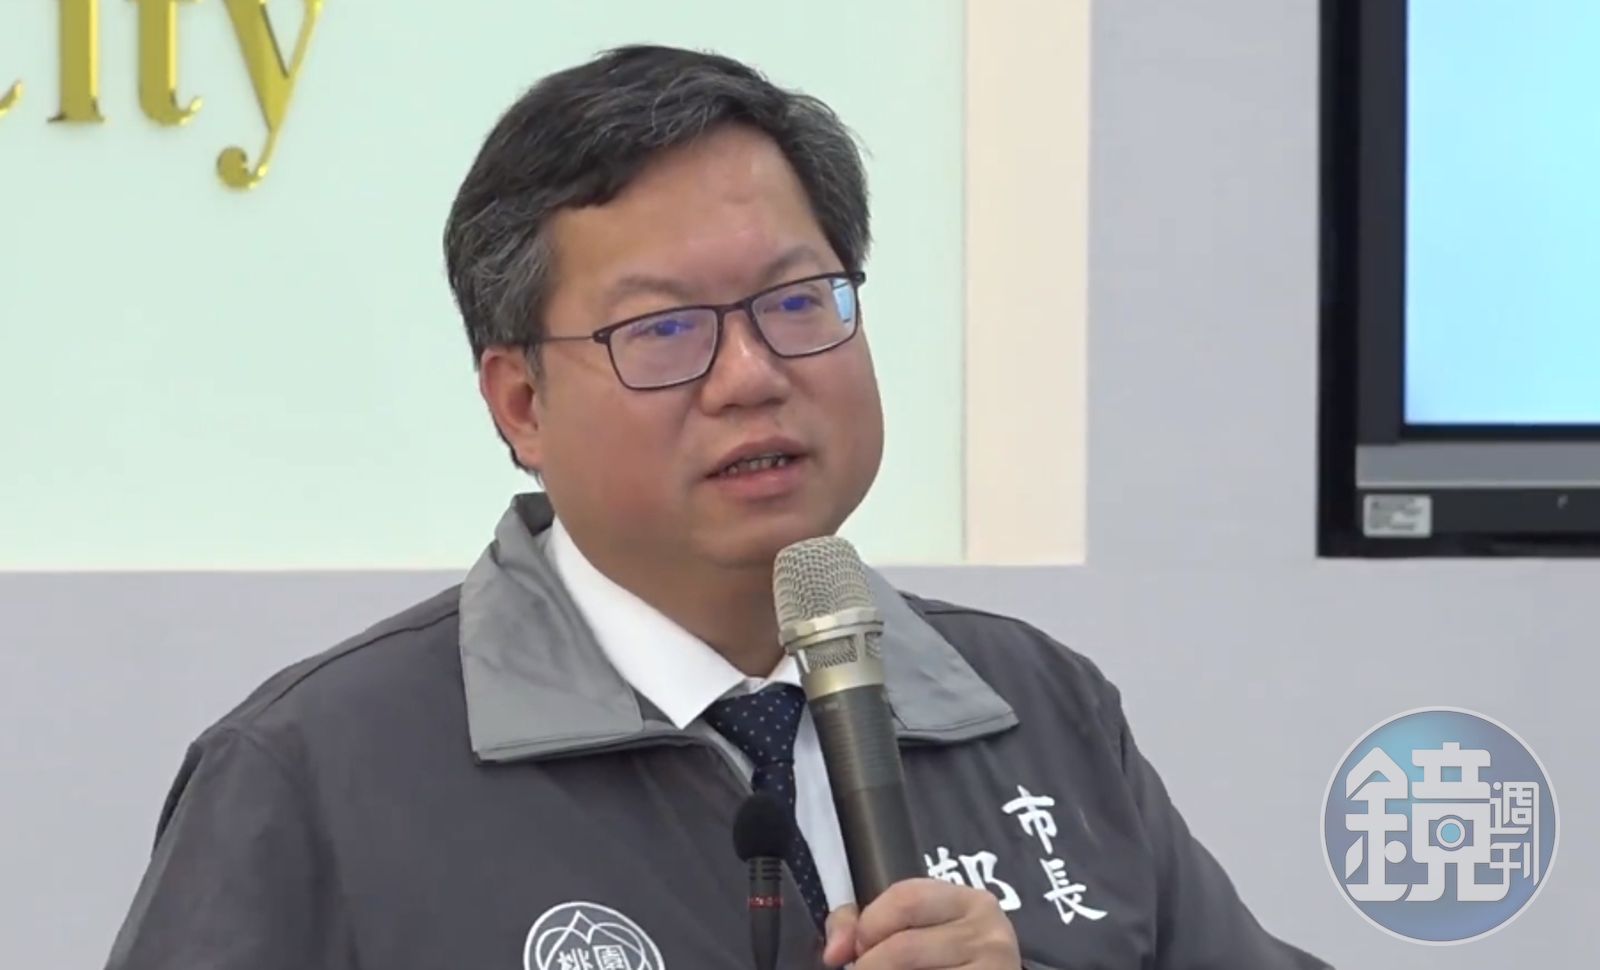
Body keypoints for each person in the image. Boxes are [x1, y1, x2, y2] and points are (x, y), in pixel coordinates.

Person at [104, 45, 1330, 970]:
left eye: (797, 302)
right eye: (665, 329)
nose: (751, 374)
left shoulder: (1036, 708)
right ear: (521, 403)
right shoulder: (317, 772)